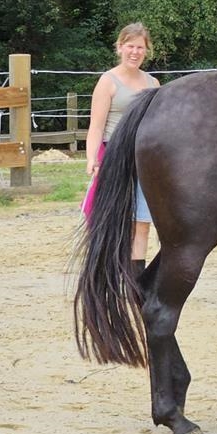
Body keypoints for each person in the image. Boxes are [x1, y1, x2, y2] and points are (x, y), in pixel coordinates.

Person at [84, 22, 160, 276]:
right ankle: (105, 271)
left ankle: (135, 279)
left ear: (146, 50)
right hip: (114, 157)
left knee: (142, 222)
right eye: (130, 46)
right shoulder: (108, 82)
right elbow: (96, 127)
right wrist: (92, 159)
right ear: (119, 47)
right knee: (112, 220)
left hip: (143, 160)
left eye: (140, 47)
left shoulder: (153, 83)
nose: (135, 52)